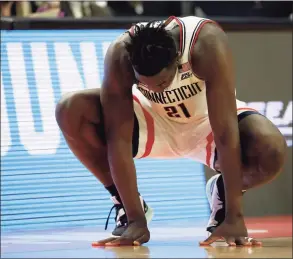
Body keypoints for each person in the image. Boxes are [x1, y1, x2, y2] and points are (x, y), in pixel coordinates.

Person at [55, 16, 287, 246]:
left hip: (205, 120)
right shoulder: (120, 54)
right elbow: (119, 141)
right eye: (144, 83)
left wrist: (234, 217)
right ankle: (126, 204)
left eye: (162, 82)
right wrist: (135, 219)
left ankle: (223, 192)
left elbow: (225, 134)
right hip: (152, 120)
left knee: (271, 150)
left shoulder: (206, 42)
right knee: (70, 109)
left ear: (177, 59)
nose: (154, 88)